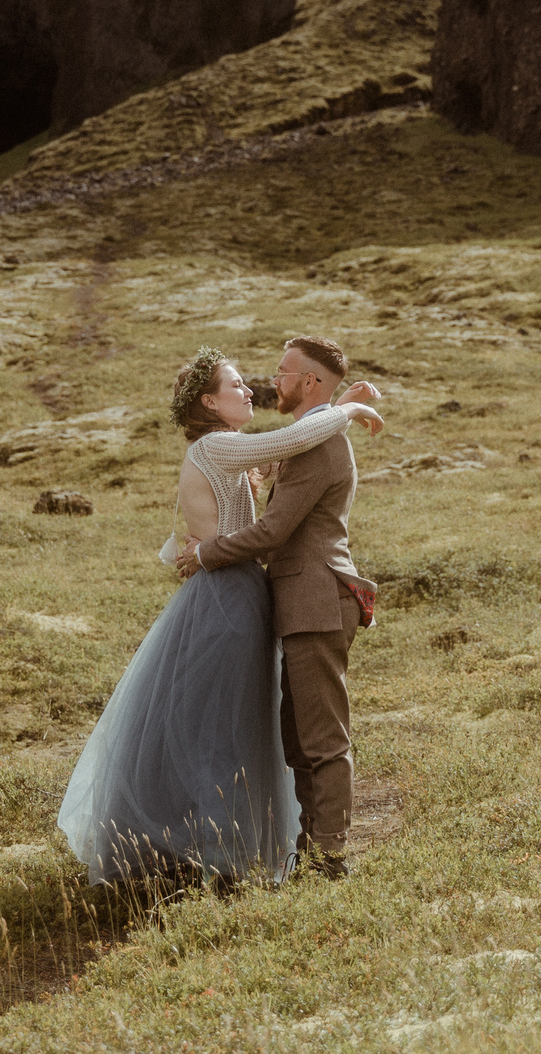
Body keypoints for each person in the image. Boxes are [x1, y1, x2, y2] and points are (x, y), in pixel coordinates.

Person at [56, 346, 387, 885]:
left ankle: (299, 856)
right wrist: (344, 409)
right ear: (209, 402)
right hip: (230, 596)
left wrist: (337, 403)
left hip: (249, 591)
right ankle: (213, 850)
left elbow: (286, 455)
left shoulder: (227, 447)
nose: (254, 389)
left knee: (237, 727)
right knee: (223, 729)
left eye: (270, 377)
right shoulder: (215, 447)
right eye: (236, 385)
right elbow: (289, 443)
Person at [177, 335, 378, 879]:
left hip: (316, 598)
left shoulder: (319, 443)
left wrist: (205, 555)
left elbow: (274, 530)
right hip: (300, 600)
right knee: (299, 738)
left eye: (284, 373)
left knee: (321, 739)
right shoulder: (306, 436)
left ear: (309, 382)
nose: (274, 382)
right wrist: (342, 407)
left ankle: (328, 859)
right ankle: (310, 854)